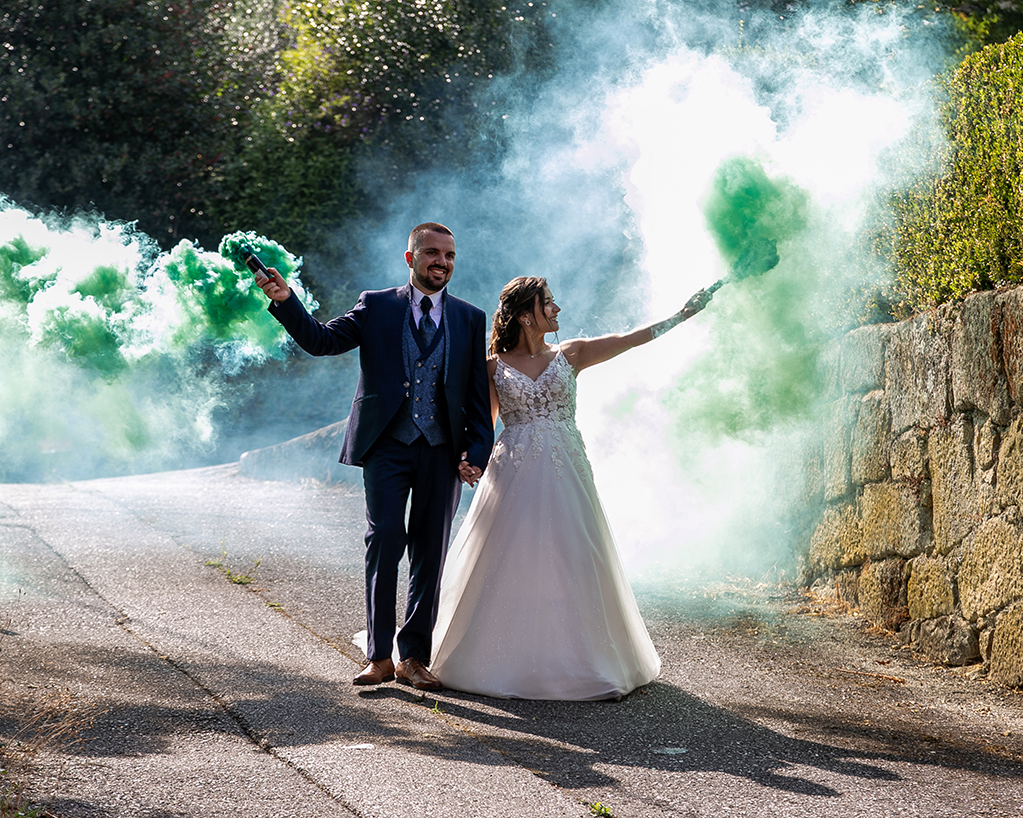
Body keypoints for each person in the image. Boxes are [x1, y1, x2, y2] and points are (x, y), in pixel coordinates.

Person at [429, 276, 710, 700]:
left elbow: (628, 339)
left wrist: (682, 315)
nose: (557, 309)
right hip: (515, 470)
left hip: (567, 468)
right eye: (548, 303)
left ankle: (588, 659)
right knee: (513, 557)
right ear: (526, 315)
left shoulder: (572, 353)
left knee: (575, 552)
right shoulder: (493, 367)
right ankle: (503, 658)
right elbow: (484, 426)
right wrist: (470, 460)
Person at [256, 223, 494, 691]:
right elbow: (321, 341)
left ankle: (413, 658)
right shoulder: (377, 304)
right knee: (385, 538)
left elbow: (475, 395)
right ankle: (379, 657)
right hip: (386, 444)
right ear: (411, 259)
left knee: (431, 549)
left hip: (441, 449)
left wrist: (477, 450)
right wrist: (286, 300)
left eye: (448, 255)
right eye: (431, 253)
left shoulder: (469, 317)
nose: (441, 262)